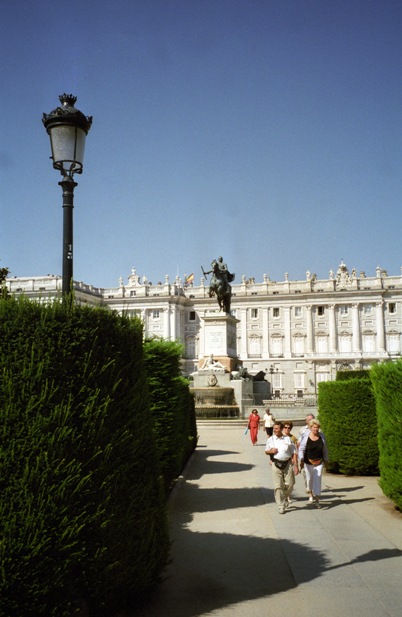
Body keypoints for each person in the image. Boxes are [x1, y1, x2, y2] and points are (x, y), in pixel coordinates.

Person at [265, 421, 298, 514]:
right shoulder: (270, 440)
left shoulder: (288, 439)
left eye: (276, 428)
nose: (275, 430)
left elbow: (293, 452)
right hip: (276, 464)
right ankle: (281, 505)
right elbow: (266, 451)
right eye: (274, 428)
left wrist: (296, 465)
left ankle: (284, 497)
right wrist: (271, 451)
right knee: (278, 486)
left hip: (287, 464)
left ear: (281, 429)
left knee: (290, 484)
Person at [298, 419, 329, 508]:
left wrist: (326, 459)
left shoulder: (322, 436)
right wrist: (301, 458)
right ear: (311, 428)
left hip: (319, 462)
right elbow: (301, 449)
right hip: (308, 462)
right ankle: (309, 491)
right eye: (314, 427)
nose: (316, 429)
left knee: (318, 478)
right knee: (309, 479)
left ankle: (317, 500)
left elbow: (325, 449)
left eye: (317, 427)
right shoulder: (306, 436)